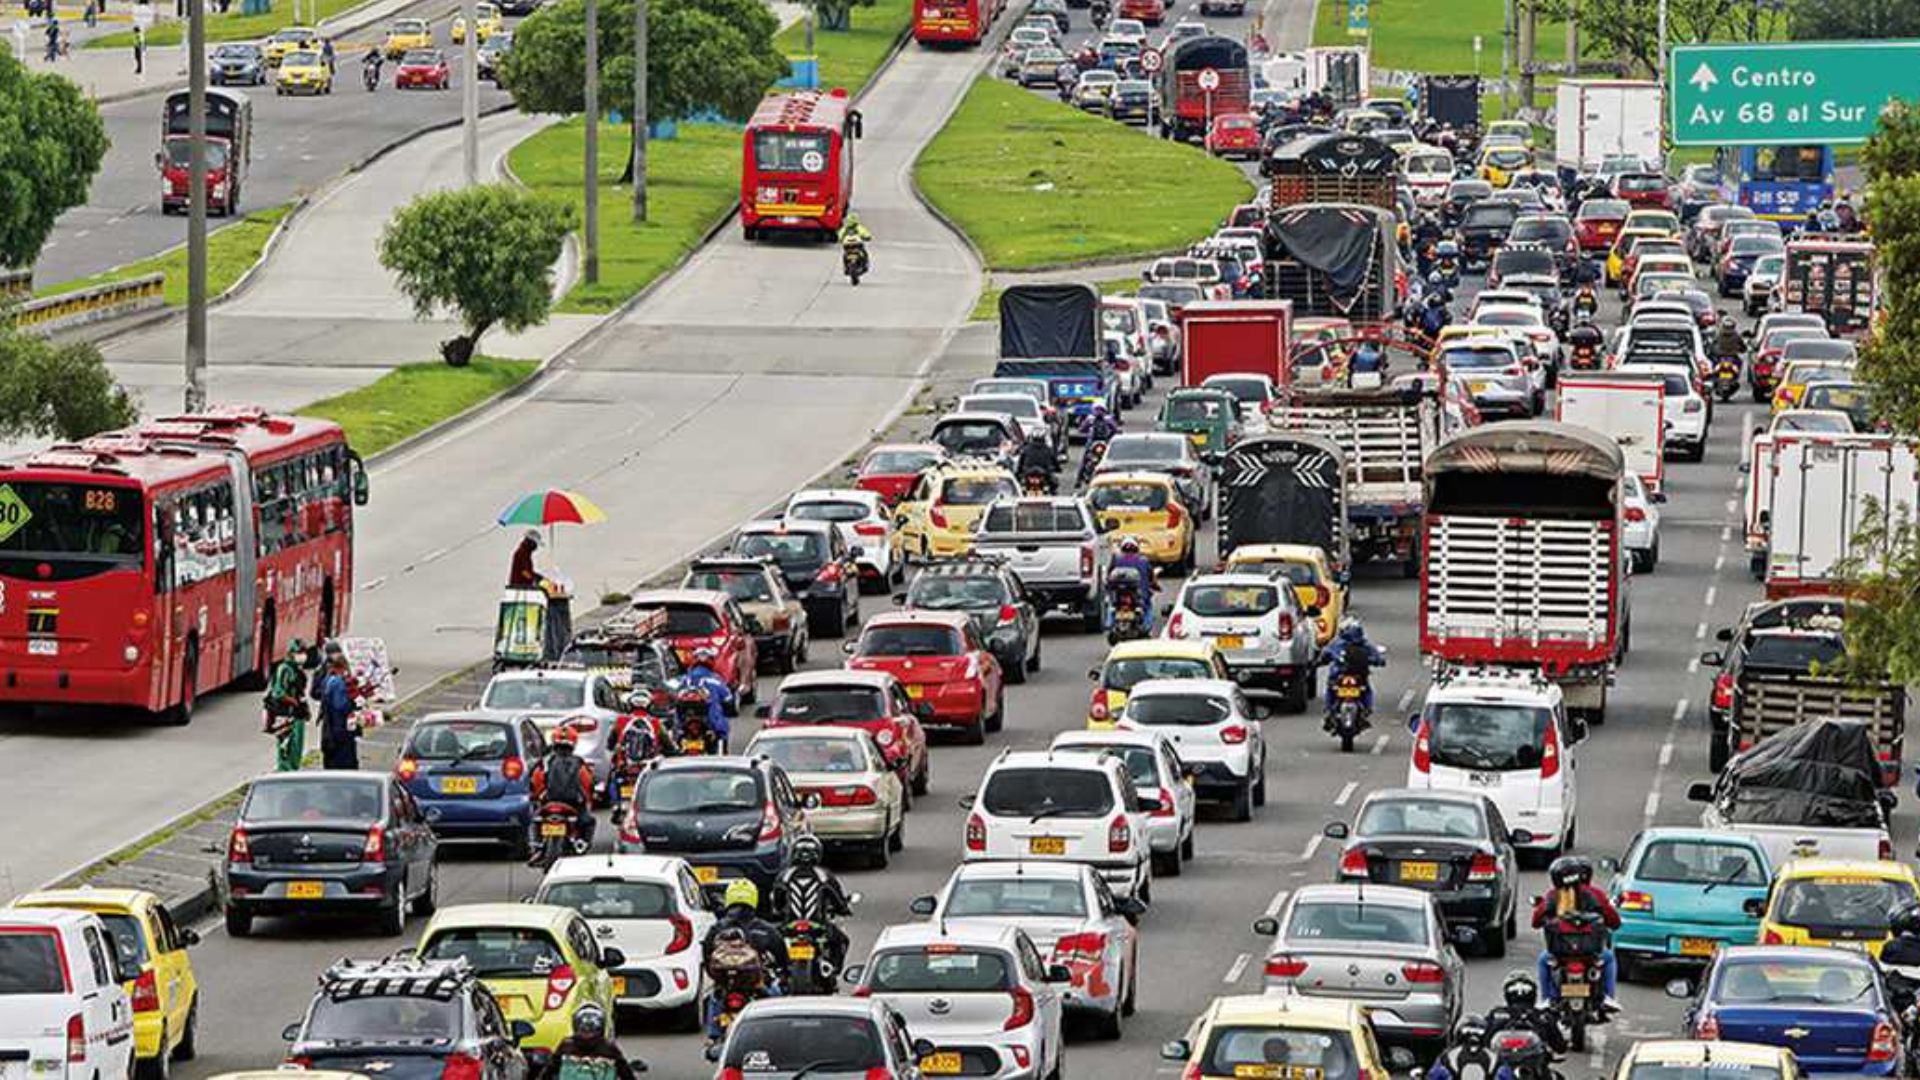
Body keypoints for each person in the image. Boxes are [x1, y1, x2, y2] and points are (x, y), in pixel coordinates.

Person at [1532, 855, 1621, 1011]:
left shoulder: (1553, 895)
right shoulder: (1595, 894)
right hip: (1591, 952)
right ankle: (1608, 996)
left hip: (1561, 953)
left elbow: (1536, 921)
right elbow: (1614, 921)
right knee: (1609, 958)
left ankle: (1546, 999)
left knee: (1543, 961)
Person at [769, 835, 853, 974]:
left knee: (773, 942)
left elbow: (777, 903)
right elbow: (838, 901)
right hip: (818, 926)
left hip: (790, 927)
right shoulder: (824, 875)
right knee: (842, 940)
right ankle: (834, 969)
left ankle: (779, 969)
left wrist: (778, 912)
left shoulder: (784, 876)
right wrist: (844, 909)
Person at [529, 724, 596, 850]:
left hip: (548, 802)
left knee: (535, 818)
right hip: (573, 804)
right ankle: (582, 843)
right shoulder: (579, 763)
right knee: (589, 822)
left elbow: (536, 782)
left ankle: (537, 843)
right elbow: (587, 785)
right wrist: (587, 799)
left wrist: (538, 796)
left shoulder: (545, 762)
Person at [536, 1005, 639, 1080]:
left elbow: (549, 1070)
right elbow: (625, 1071)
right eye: (585, 1030)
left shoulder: (566, 1046)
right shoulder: (609, 1048)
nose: (587, 1034)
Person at [1319, 617, 1385, 723]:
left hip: (1349, 678)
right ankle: (1331, 709)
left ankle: (1329, 709)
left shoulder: (1339, 644)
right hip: (1345, 677)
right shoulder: (1362, 644)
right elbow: (1377, 657)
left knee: (1332, 688)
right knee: (1333, 688)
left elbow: (1325, 654)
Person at [262, 639, 314, 772]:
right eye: (299, 652)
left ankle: (293, 770)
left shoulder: (297, 669)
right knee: (286, 747)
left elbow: (300, 693)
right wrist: (294, 702)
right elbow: (278, 693)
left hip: (297, 714)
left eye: (303, 652)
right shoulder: (284, 669)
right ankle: (285, 772)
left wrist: (305, 708)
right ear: (291, 653)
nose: (302, 656)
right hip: (286, 715)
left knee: (296, 748)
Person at [314, 641, 359, 770]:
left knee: (331, 760)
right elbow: (341, 706)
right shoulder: (336, 682)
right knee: (343, 762)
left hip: (331, 728)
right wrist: (354, 702)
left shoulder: (330, 679)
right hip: (339, 730)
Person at [682, 647, 735, 752]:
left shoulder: (684, 679)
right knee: (722, 732)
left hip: (684, 724)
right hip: (712, 723)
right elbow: (728, 698)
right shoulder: (715, 680)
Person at [1109, 536, 1157, 633]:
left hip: (1120, 597)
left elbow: (1108, 577)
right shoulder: (1144, 561)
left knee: (1111, 606)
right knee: (1148, 607)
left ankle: (1110, 623)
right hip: (1140, 598)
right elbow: (1151, 578)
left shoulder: (1116, 560)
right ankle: (1146, 627)